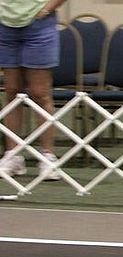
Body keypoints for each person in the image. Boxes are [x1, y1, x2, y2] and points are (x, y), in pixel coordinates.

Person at [0, 0, 68, 180]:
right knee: (12, 92)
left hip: (39, 25)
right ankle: (13, 155)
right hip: (5, 25)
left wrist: (46, 9)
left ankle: (47, 157)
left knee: (40, 93)